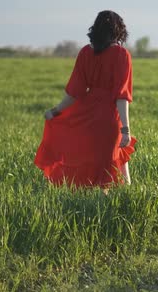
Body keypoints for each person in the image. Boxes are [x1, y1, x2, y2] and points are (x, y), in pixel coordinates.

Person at [34, 10, 136, 189]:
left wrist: (55, 111)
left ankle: (122, 194)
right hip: (108, 117)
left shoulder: (85, 53)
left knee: (99, 164)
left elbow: (74, 93)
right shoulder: (122, 55)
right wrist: (126, 129)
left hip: (86, 116)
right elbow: (122, 96)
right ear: (118, 30)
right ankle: (119, 202)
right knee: (109, 169)